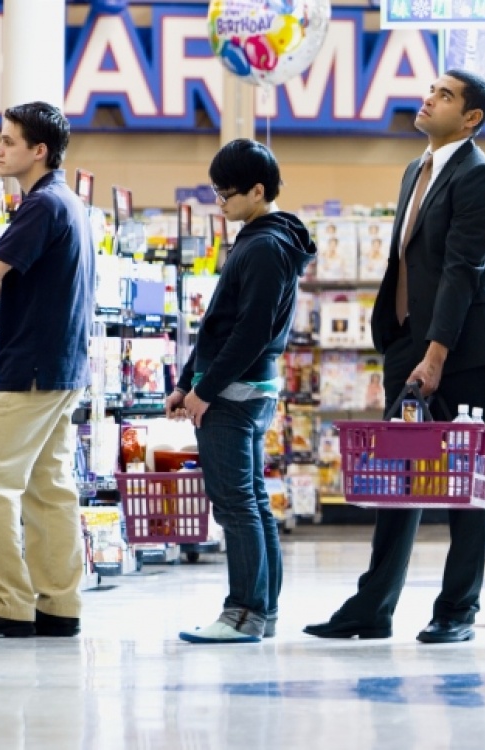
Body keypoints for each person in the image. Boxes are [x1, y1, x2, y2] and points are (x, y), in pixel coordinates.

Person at [304, 69, 485, 644]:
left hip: (465, 351)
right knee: (396, 479)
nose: (429, 98)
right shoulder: (414, 170)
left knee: (466, 484)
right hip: (407, 344)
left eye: (445, 95)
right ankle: (372, 607)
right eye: (431, 89)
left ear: (471, 118)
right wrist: (405, 344)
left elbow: (462, 272)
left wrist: (436, 353)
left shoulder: (481, 179)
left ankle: (456, 611)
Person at [167, 138, 316, 643]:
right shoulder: (264, 239)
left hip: (235, 394)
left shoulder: (265, 245)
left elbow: (248, 331)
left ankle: (244, 613)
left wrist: (204, 389)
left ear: (257, 190)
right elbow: (218, 324)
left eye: (227, 194)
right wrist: (188, 380)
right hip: (244, 388)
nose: (220, 203)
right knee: (249, 501)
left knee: (236, 505)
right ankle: (259, 612)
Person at [0, 101, 95, 638]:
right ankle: (59, 603)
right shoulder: (68, 202)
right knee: (49, 487)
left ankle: (6, 602)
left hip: (29, 367)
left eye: (8, 140)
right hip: (64, 366)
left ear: (39, 151)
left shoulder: (39, 206)